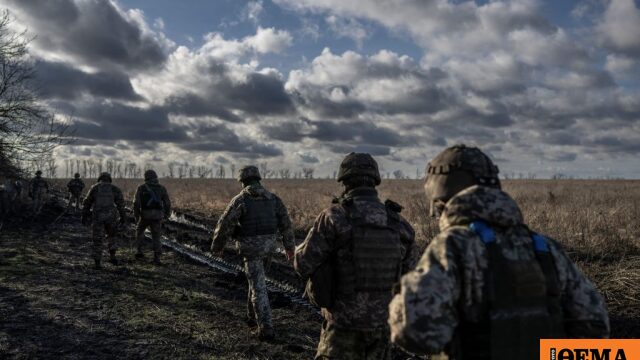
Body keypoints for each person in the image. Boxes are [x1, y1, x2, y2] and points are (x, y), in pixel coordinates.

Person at [388, 144, 610, 360]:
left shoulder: (453, 246)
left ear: (439, 197)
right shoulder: (545, 247)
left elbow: (414, 331)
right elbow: (595, 326)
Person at [295, 153, 417, 360]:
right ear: (375, 181)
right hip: (383, 326)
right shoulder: (400, 224)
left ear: (344, 181)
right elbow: (412, 278)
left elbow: (303, 264)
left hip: (343, 325)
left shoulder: (334, 217)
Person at [211, 165, 295, 341]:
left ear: (242, 181)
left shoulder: (240, 200)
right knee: (256, 281)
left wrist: (217, 247)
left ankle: (266, 329)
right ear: (258, 179)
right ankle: (251, 317)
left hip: (251, 251)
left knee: (258, 288)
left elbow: (225, 225)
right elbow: (286, 224)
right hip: (269, 249)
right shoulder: (273, 199)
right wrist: (289, 248)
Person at [81, 172, 126, 269]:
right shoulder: (114, 189)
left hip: (98, 217)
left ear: (100, 178)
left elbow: (87, 202)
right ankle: (113, 257)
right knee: (112, 237)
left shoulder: (95, 188)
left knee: (97, 239)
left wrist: (84, 215)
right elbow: (121, 205)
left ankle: (97, 262)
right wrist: (123, 217)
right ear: (109, 179)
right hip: (111, 217)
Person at [133, 169, 171, 265]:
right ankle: (157, 258)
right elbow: (167, 203)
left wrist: (137, 216)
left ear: (146, 177)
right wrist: (167, 215)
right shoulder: (161, 188)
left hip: (144, 215)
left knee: (139, 232)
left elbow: (136, 203)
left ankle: (139, 251)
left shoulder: (141, 188)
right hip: (157, 217)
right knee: (156, 237)